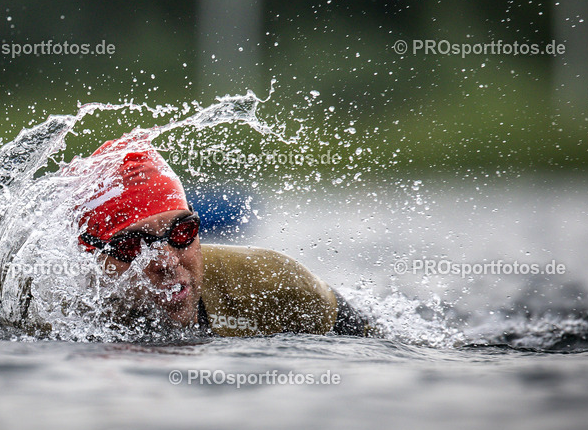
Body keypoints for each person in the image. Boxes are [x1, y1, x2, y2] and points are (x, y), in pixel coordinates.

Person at [73, 136, 377, 337]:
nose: (166, 261)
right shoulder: (54, 314)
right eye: (134, 246)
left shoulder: (275, 286)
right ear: (91, 256)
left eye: (182, 232)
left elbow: (375, 355)